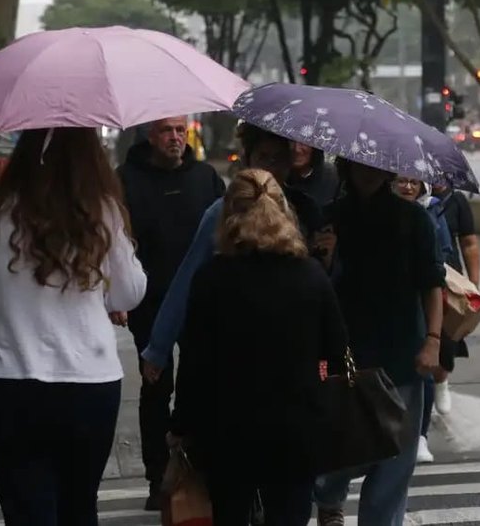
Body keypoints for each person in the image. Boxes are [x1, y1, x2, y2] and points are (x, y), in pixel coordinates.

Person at [0, 128, 147, 526]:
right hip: (90, 382)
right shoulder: (101, 209)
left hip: (10, 379)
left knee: (26, 509)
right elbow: (129, 292)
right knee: (79, 504)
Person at [170, 169, 346, 526]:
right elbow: (336, 348)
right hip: (296, 428)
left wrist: (180, 424)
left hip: (227, 430)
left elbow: (194, 362)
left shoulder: (212, 279)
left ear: (229, 215)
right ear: (284, 212)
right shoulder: (311, 275)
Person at [139, 124, 326, 383]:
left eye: (279, 158)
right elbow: (188, 277)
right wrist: (159, 347)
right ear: (249, 159)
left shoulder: (305, 209)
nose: (271, 166)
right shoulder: (223, 212)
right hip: (237, 346)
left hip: (294, 346)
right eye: (263, 157)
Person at [314, 160, 445, 526]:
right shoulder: (331, 217)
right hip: (346, 352)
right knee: (343, 452)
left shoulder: (414, 219)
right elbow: (315, 286)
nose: (368, 171)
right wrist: (325, 255)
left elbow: (431, 284)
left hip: (402, 351)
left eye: (376, 165)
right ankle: (327, 494)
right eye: (359, 165)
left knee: (396, 461)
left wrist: (433, 340)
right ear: (346, 167)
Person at [116, 116, 226, 509]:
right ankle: (157, 477)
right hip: (150, 299)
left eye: (181, 130)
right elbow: (116, 240)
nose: (175, 138)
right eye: (167, 131)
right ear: (151, 136)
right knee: (155, 387)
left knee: (199, 387)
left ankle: (197, 470)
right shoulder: (126, 178)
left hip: (201, 301)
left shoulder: (206, 177)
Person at [392, 177, 452, 464]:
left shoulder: (429, 213)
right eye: (400, 181)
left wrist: (434, 338)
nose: (407, 187)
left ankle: (420, 435)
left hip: (418, 306)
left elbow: (440, 263)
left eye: (413, 182)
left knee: (422, 373)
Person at [428, 184, 480, 416]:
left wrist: (473, 286)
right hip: (421, 275)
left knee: (446, 337)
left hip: (451, 279)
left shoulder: (456, 201)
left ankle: (441, 381)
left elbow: (469, 244)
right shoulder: (412, 199)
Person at [288, 142, 340, 207]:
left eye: (302, 142)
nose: (297, 149)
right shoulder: (277, 174)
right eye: (292, 141)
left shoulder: (329, 176)